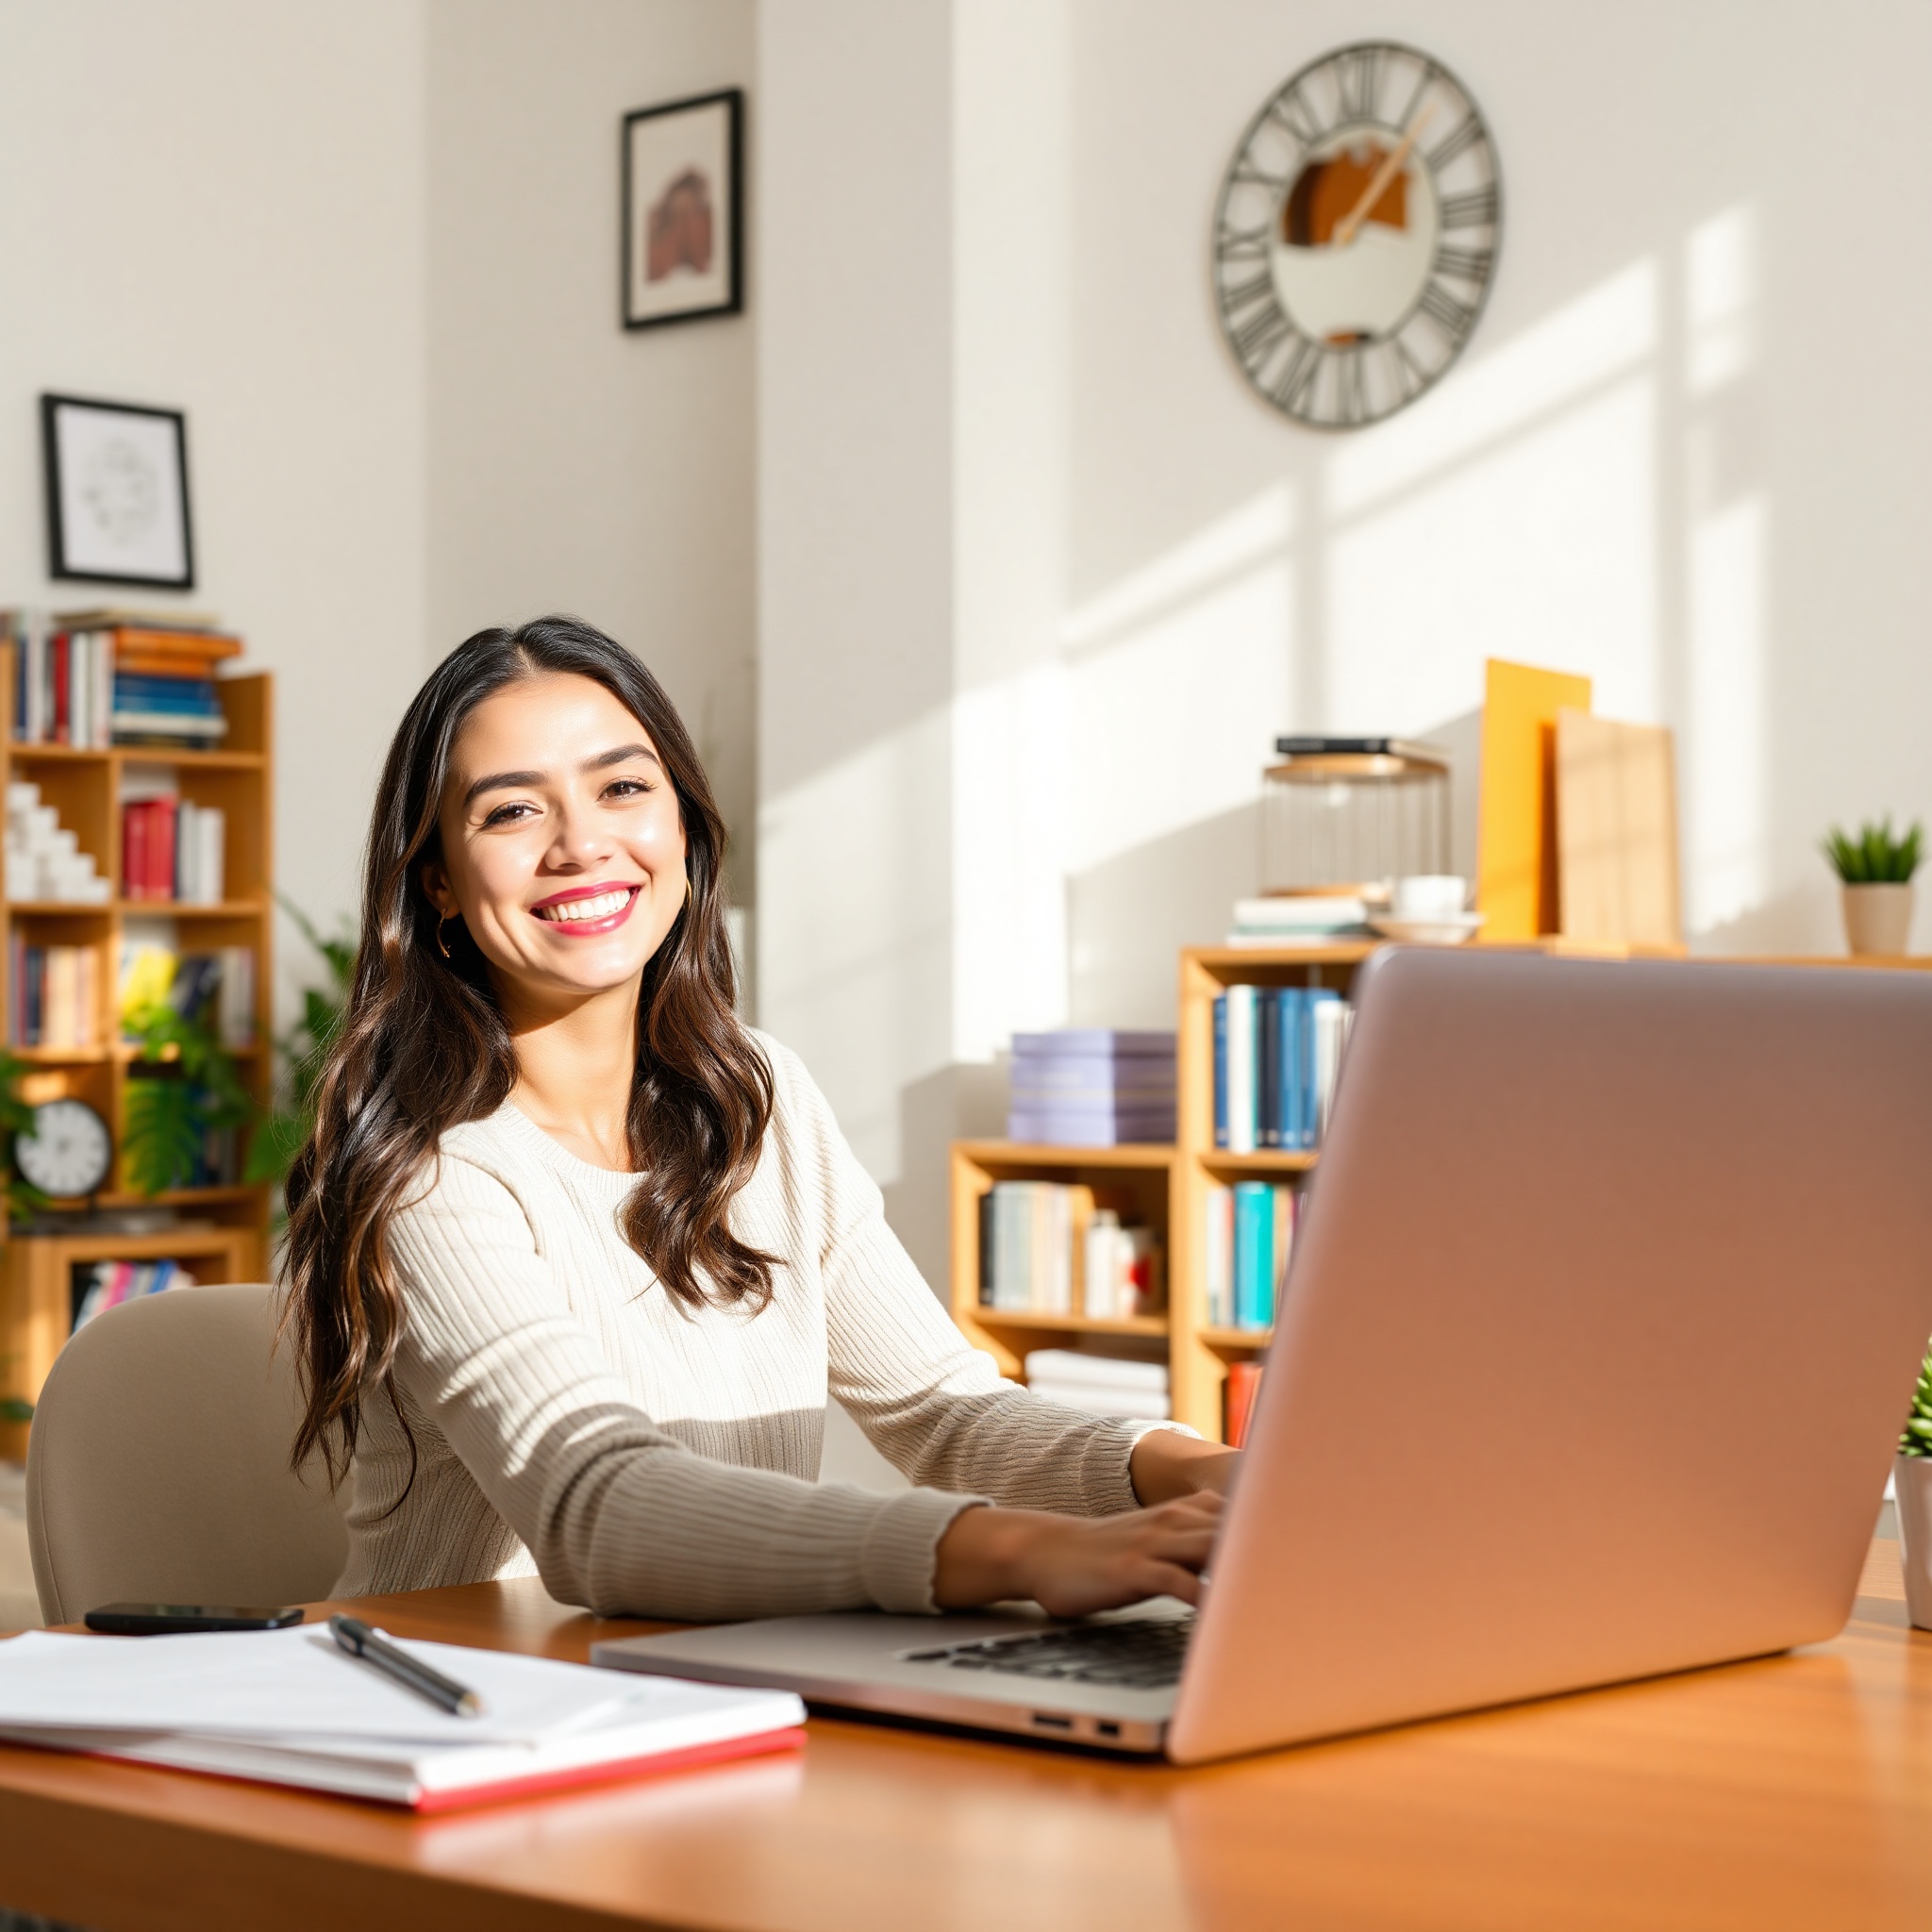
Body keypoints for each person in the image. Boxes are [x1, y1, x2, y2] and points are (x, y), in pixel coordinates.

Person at [284, 616, 1234, 1623]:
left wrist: (1206, 1473)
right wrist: (1023, 1550)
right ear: (436, 878)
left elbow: (938, 1409)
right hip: (471, 1706)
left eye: (621, 787)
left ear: (684, 829)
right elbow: (596, 1503)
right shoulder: (426, 1167)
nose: (582, 843)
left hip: (728, 1685)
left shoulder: (754, 1095)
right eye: (513, 810)